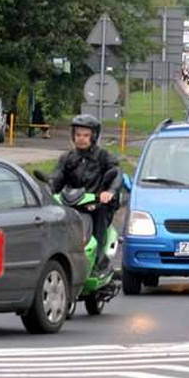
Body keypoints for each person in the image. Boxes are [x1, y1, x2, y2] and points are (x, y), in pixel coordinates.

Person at [49, 114, 122, 274]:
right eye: (78, 135)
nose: (81, 139)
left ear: (94, 136)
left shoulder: (103, 157)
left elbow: (116, 173)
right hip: (72, 203)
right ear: (73, 136)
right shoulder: (67, 158)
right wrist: (49, 187)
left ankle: (98, 260)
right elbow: (57, 176)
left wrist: (109, 192)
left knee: (101, 214)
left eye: (86, 135)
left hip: (95, 203)